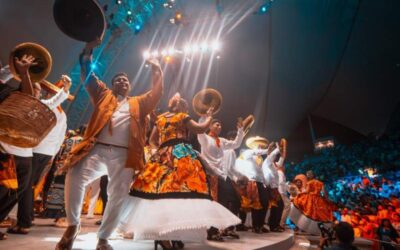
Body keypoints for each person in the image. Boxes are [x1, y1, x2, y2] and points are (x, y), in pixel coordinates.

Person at [56, 38, 163, 250]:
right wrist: (88, 49)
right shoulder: (103, 94)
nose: (122, 81)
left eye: (126, 80)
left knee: (118, 194)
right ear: (112, 84)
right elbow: (88, 77)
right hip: (96, 149)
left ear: (130, 86)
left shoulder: (138, 103)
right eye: (118, 80)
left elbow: (156, 94)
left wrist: (157, 70)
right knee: (74, 176)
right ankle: (73, 226)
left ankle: (104, 237)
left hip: (125, 155)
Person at [118, 93, 240, 249]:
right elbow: (200, 128)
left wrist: (161, 149)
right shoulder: (183, 116)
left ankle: (166, 235)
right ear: (180, 106)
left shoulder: (160, 119)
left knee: (159, 193)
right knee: (181, 194)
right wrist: (209, 116)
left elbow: (152, 140)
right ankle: (172, 234)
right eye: (185, 105)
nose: (186, 108)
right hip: (181, 155)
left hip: (162, 156)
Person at [7, 75, 70, 235]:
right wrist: (52, 156)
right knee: (26, 186)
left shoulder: (42, 106)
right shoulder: (61, 114)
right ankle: (24, 219)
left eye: (42, 91)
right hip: (42, 152)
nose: (40, 94)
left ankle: (24, 221)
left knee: (23, 186)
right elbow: (61, 137)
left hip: (32, 151)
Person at [197, 116, 244, 240]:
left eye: (220, 125)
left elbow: (236, 144)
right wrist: (205, 117)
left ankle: (224, 228)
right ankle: (212, 231)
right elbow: (200, 130)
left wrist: (240, 130)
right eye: (216, 124)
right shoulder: (205, 138)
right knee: (216, 203)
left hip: (222, 175)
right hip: (210, 174)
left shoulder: (222, 141)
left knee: (231, 201)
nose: (219, 126)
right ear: (210, 126)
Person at [290, 170, 335, 235]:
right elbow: (324, 193)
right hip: (319, 200)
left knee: (311, 215)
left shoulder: (309, 183)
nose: (307, 175)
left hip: (310, 200)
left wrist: (299, 194)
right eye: (307, 174)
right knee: (319, 216)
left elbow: (307, 191)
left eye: (308, 174)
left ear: (312, 175)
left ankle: (311, 230)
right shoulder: (320, 183)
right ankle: (317, 231)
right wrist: (326, 199)